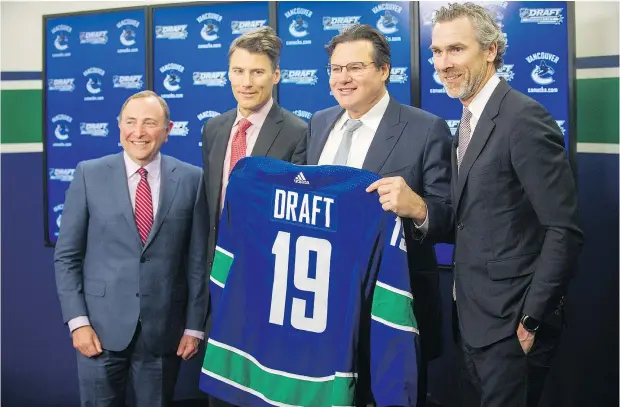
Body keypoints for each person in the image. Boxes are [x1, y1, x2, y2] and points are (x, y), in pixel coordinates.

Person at [429, 3, 583, 406]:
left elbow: (563, 231)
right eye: (437, 51)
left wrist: (531, 319)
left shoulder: (523, 119)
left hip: (513, 328)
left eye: (456, 49)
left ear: (491, 50)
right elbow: (471, 219)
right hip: (472, 320)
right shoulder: (465, 122)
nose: (444, 63)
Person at [294, 24, 454, 406]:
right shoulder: (319, 122)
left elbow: (449, 217)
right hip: (322, 306)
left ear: (384, 71)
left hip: (391, 309)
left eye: (355, 67)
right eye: (335, 68)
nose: (342, 78)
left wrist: (416, 207)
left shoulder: (425, 128)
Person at [54, 90, 208, 407]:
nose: (138, 132)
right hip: (98, 330)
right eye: (130, 122)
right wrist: (78, 322)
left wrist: (195, 326)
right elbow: (67, 257)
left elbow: (197, 262)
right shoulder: (89, 174)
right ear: (119, 126)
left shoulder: (192, 180)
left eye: (149, 123)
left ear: (167, 130)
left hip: (164, 331)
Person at [201, 26, 307, 407]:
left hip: (270, 284)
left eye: (257, 72)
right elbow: (210, 211)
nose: (246, 82)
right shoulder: (214, 129)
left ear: (275, 75)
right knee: (221, 390)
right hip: (219, 282)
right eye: (238, 71)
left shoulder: (299, 133)